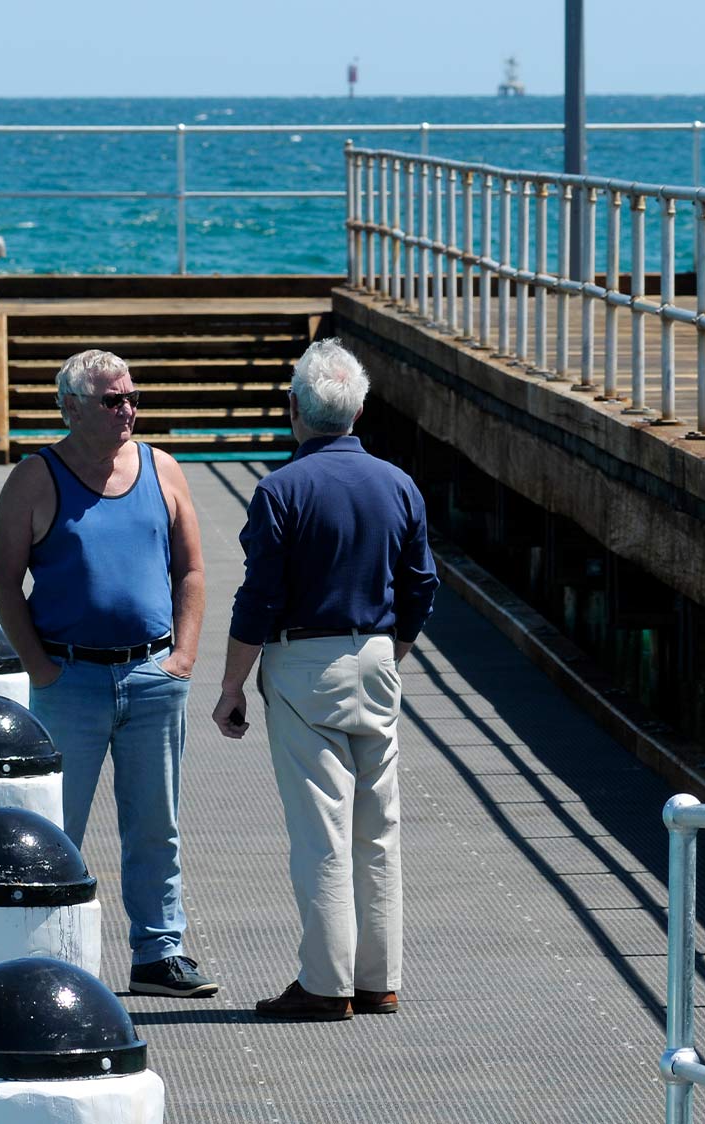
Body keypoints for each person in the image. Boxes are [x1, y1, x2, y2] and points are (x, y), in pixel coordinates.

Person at [212, 339, 439, 1022]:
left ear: (294, 411)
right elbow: (421, 584)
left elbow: (258, 599)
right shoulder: (398, 484)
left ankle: (325, 983)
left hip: (304, 660)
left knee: (321, 831)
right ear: (360, 408)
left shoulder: (280, 490)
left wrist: (231, 686)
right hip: (376, 656)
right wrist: (392, 649)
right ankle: (379, 979)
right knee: (377, 828)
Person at [0, 348, 217, 999]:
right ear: (71, 408)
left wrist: (184, 659)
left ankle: (158, 953)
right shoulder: (37, 479)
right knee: (56, 828)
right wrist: (40, 667)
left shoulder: (162, 468)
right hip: (71, 680)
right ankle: (45, 953)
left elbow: (193, 570)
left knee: (155, 825)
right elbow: (5, 582)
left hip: (152, 676)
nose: (128, 411)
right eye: (112, 401)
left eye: (132, 397)